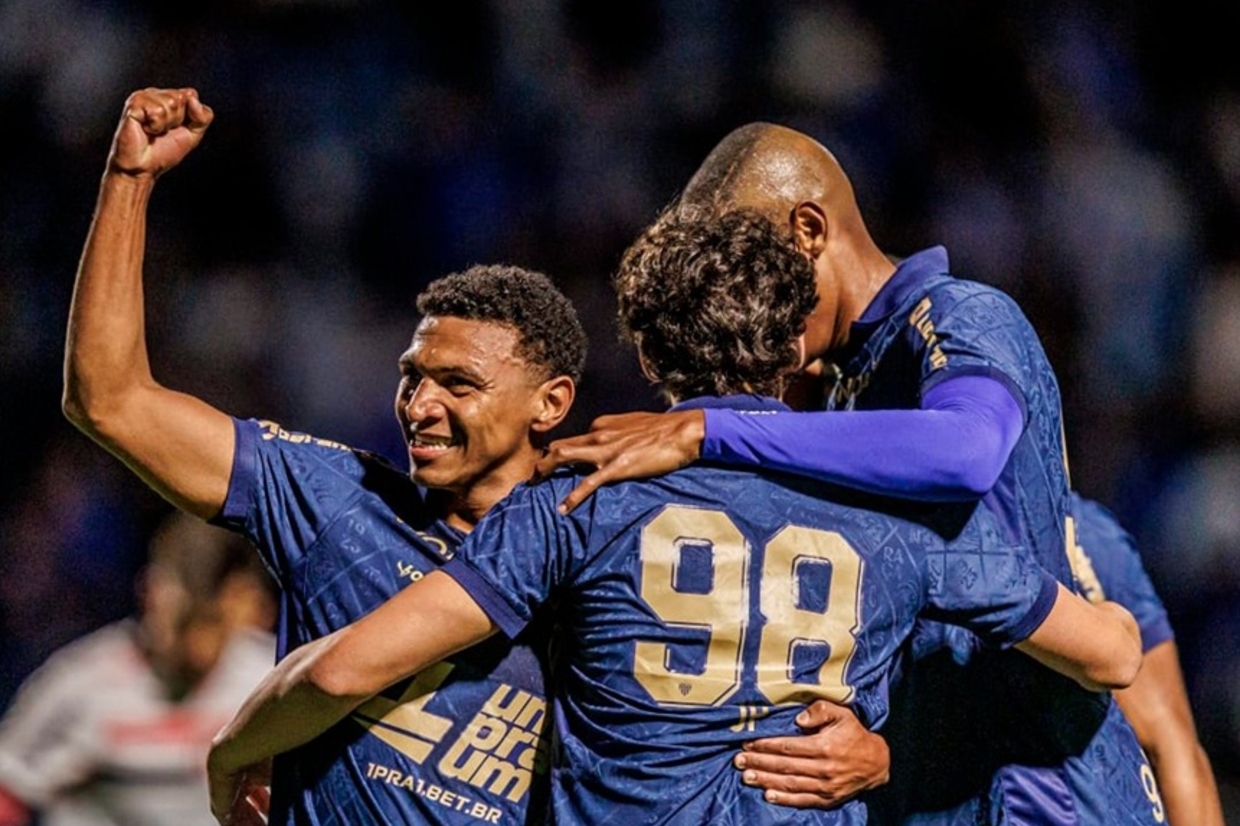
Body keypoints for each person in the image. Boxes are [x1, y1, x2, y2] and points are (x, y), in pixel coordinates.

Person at [206, 209, 1141, 825]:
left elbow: (348, 668)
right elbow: (1112, 653)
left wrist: (232, 751)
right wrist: (880, 743)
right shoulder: (903, 518)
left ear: (648, 357)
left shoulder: (580, 496)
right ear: (793, 347)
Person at [533, 122, 1164, 823]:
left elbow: (967, 449)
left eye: (751, 264)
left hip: (1042, 788)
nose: (739, 293)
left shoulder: (960, 314)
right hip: (941, 785)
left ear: (808, 230)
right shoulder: (839, 397)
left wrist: (713, 430)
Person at [61, 87, 590, 825]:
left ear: (551, 403)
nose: (419, 405)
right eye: (412, 377)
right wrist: (129, 181)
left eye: (458, 384)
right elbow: (110, 401)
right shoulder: (333, 498)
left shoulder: (601, 544)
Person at [0, 512, 276, 826]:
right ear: (152, 595)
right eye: (186, 623)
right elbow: (7, 793)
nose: (199, 646)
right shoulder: (81, 684)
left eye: (213, 623)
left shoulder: (268, 679)